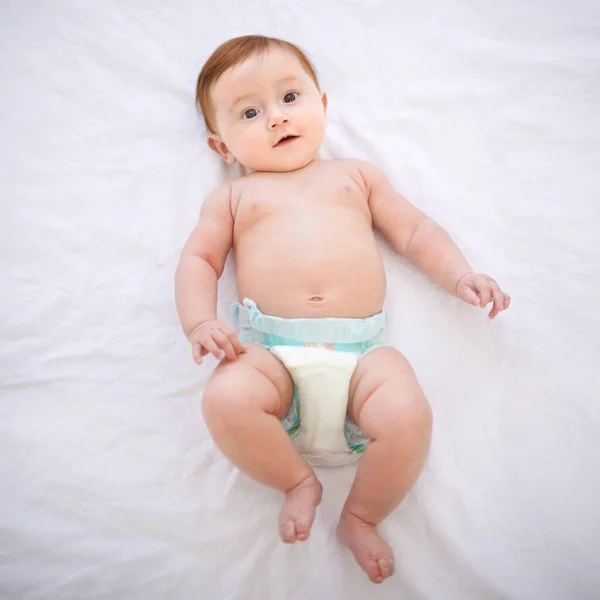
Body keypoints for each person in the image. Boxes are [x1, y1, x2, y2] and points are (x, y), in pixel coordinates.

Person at [175, 35, 511, 584]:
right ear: (223, 148)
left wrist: (461, 275)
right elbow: (199, 260)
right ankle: (297, 483)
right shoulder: (234, 197)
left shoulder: (356, 176)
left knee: (407, 414)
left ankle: (360, 515)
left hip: (361, 358)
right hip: (270, 356)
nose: (277, 119)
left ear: (322, 106)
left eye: (290, 98)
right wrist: (200, 321)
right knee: (226, 397)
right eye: (250, 112)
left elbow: (415, 230)